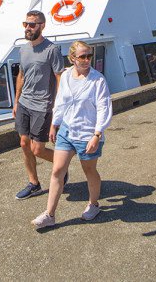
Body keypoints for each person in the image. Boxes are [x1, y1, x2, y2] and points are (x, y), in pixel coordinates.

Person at [31, 41, 112, 229]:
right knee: (57, 170)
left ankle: (94, 204)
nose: (86, 60)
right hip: (67, 131)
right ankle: (49, 214)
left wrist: (97, 134)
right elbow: (60, 101)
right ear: (72, 58)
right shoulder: (66, 75)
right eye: (82, 56)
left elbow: (104, 108)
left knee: (89, 171)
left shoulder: (97, 80)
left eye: (89, 56)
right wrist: (55, 123)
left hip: (87, 133)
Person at [14, 10, 66, 199]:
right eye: (26, 24)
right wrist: (16, 101)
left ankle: (62, 164)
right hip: (24, 103)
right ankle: (33, 183)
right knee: (24, 143)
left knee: (38, 149)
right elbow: (21, 74)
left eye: (32, 24)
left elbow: (59, 77)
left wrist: (58, 107)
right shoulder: (23, 49)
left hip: (43, 105)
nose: (28, 28)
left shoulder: (52, 50)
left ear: (42, 26)